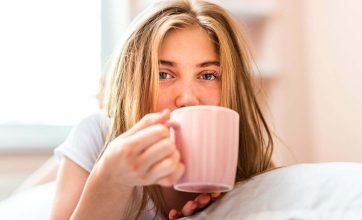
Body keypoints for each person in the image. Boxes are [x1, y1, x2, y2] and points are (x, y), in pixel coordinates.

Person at [50, 0, 274, 219]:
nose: (186, 98)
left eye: (208, 75)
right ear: (134, 81)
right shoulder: (96, 135)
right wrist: (110, 180)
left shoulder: (244, 157)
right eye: (163, 74)